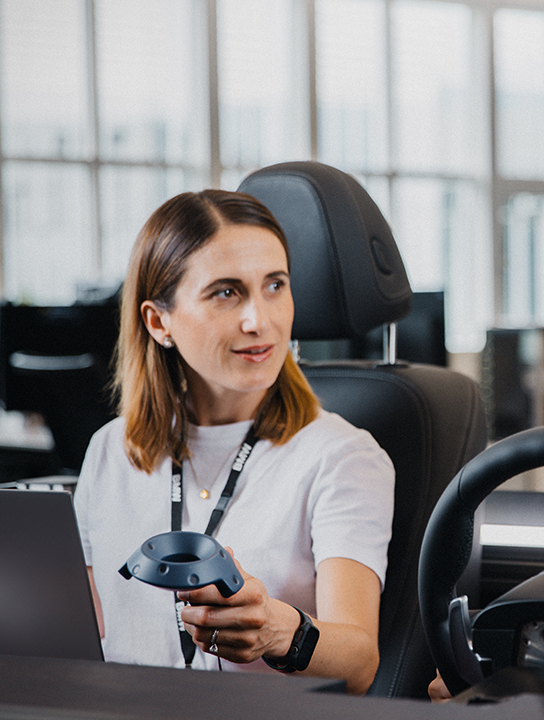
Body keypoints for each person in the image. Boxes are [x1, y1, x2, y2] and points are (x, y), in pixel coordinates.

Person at [74, 189, 394, 694]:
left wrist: (278, 631)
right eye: (226, 292)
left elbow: (359, 661)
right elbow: (84, 635)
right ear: (159, 322)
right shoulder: (111, 450)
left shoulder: (340, 456)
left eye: (275, 285)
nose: (259, 320)